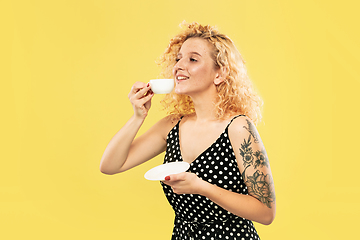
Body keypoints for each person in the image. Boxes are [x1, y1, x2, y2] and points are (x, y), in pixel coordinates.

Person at [100, 22, 276, 240]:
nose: (178, 66)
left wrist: (202, 187)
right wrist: (138, 117)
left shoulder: (239, 128)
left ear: (219, 74)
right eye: (178, 59)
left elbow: (266, 212)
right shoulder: (171, 125)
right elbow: (110, 165)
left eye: (192, 59)